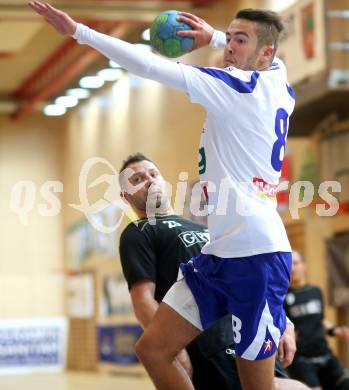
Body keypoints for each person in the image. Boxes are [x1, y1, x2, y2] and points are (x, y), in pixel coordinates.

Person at [29, 3, 296, 389]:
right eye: (231, 36)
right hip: (219, 254)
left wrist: (79, 32)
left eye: (241, 40)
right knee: (153, 349)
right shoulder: (279, 79)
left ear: (264, 52)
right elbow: (266, 55)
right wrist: (213, 38)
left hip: (256, 257)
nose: (230, 47)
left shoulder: (231, 86)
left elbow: (148, 66)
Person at [118, 153, 308, 390]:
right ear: (125, 196)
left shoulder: (206, 227)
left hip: (249, 326)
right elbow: (143, 300)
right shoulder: (139, 232)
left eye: (153, 174)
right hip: (211, 343)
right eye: (137, 179)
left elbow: (245, 274)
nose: (149, 180)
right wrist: (173, 349)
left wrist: (284, 322)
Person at [284, 251, 349, 390]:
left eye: (295, 263)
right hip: (302, 360)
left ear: (303, 266)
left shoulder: (316, 291)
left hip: (325, 354)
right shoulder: (282, 297)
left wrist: (335, 330)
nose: (292, 268)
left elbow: (321, 320)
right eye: (289, 265)